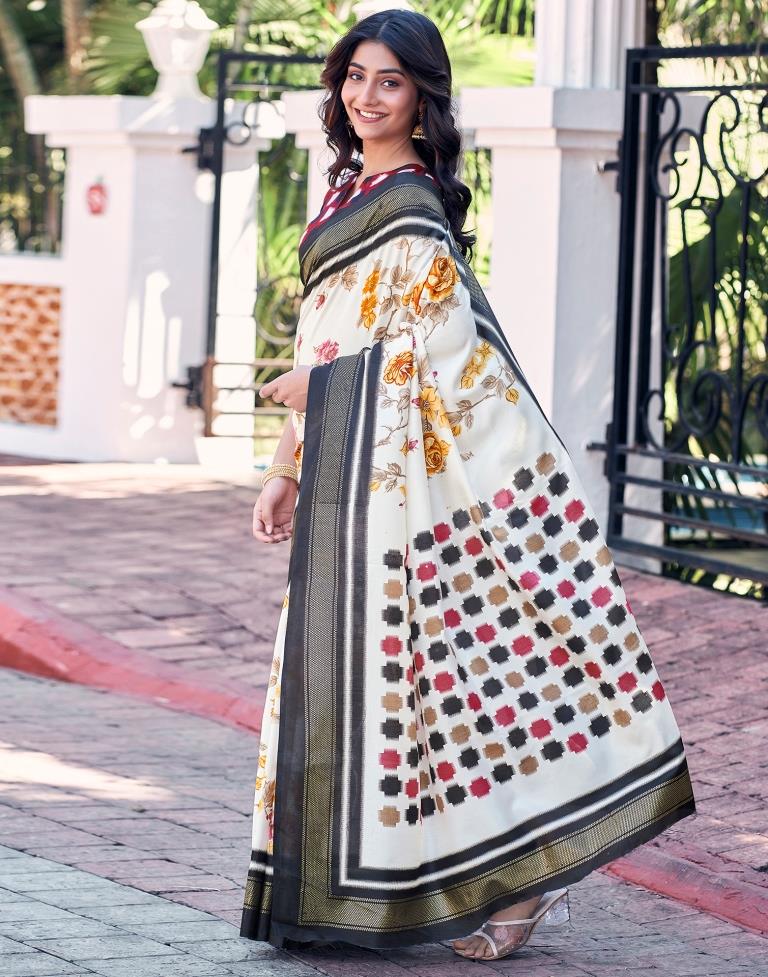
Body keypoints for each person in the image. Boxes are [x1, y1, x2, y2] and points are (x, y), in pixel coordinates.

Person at [239, 8, 696, 961]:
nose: (367, 95)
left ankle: (529, 885)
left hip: (412, 495)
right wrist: (287, 462)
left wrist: (321, 392)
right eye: (356, 76)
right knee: (369, 688)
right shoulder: (343, 194)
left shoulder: (412, 204)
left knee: (458, 681)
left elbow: (440, 351)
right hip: (343, 479)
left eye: (390, 81)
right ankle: (356, 887)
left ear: (421, 97)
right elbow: (321, 334)